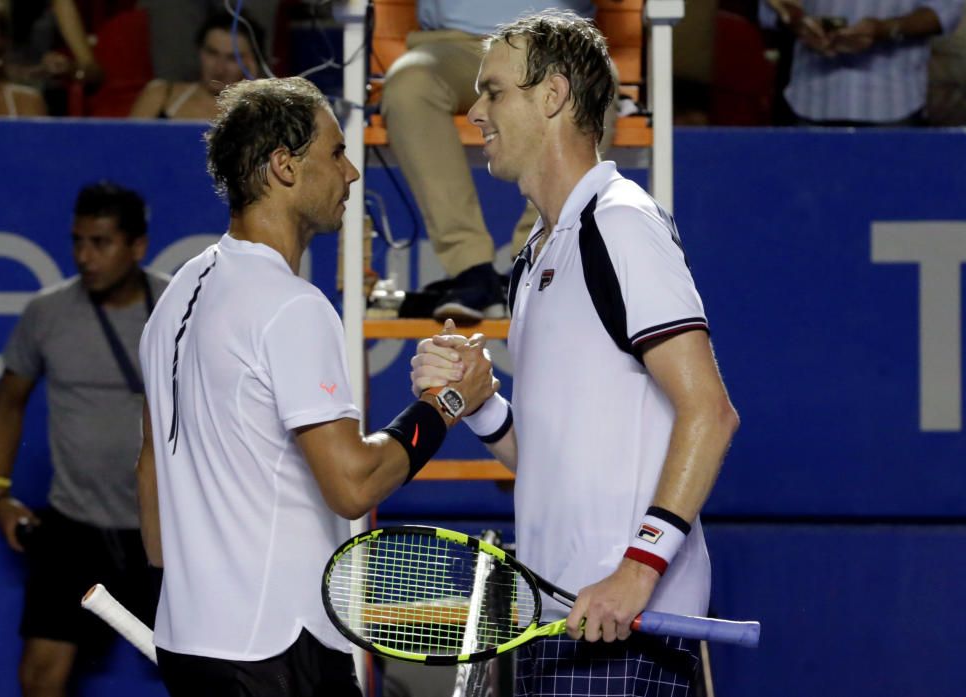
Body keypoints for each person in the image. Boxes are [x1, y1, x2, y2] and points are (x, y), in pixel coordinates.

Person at [410, 10, 739, 696]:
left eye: (494, 91)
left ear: (553, 95)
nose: (474, 111)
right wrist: (482, 406)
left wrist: (637, 569)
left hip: (628, 632)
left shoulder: (619, 223)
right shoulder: (535, 255)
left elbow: (709, 413)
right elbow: (552, 459)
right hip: (558, 625)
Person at [136, 76, 497, 697]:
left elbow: (151, 477)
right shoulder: (292, 306)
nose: (352, 172)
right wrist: (449, 402)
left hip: (189, 642)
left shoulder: (178, 295)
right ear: (283, 167)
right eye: (335, 152)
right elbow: (353, 483)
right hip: (277, 650)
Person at [0, 182, 166, 697]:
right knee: (40, 679)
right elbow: (7, 402)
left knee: (218, 674)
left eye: (100, 243)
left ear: (137, 246)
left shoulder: (179, 308)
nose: (84, 257)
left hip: (166, 530)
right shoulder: (47, 312)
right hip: (74, 531)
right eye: (78, 241)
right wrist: (0, 492)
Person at [381, 0, 619, 323]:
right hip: (453, 46)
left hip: (555, 45)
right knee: (409, 87)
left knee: (593, 81)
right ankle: (470, 269)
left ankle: (536, 258)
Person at [761, 0, 964, 125]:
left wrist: (884, 29)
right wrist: (796, 22)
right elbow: (772, 9)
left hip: (892, 101)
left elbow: (945, 11)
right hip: (812, 98)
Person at [129, 10, 263, 121]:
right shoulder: (160, 95)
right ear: (199, 51)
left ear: (251, 62)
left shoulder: (260, 112)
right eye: (212, 53)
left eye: (233, 58)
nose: (219, 68)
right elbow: (127, 147)